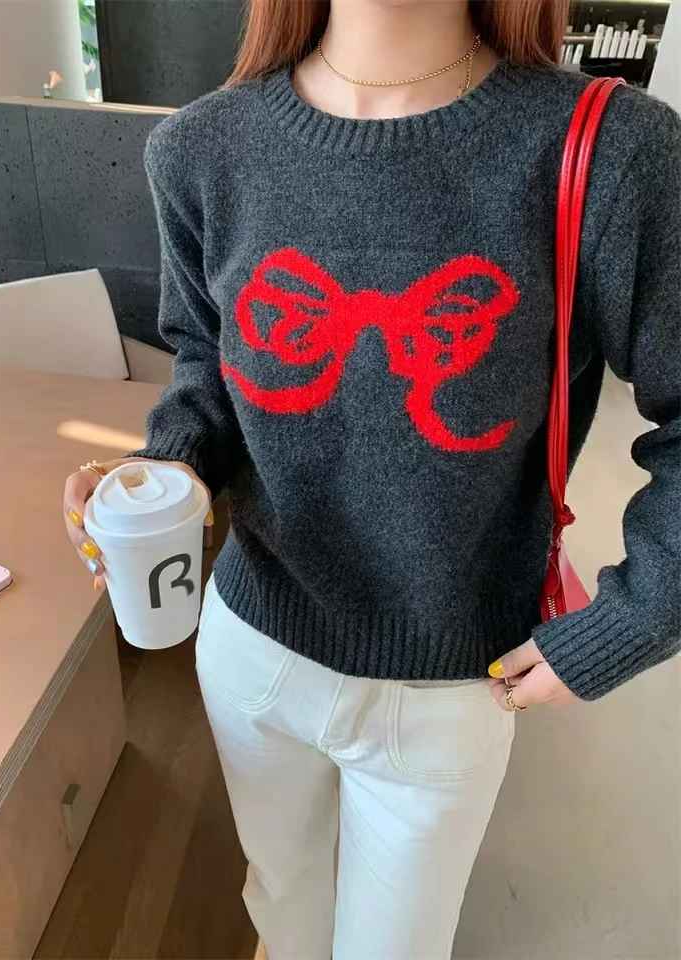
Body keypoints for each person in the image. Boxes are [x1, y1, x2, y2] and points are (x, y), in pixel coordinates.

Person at [63, 1, 681, 956]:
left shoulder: (610, 152)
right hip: (253, 648)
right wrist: (163, 471)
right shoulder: (200, 147)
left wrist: (633, 618)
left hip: (452, 683)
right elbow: (205, 365)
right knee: (282, 904)